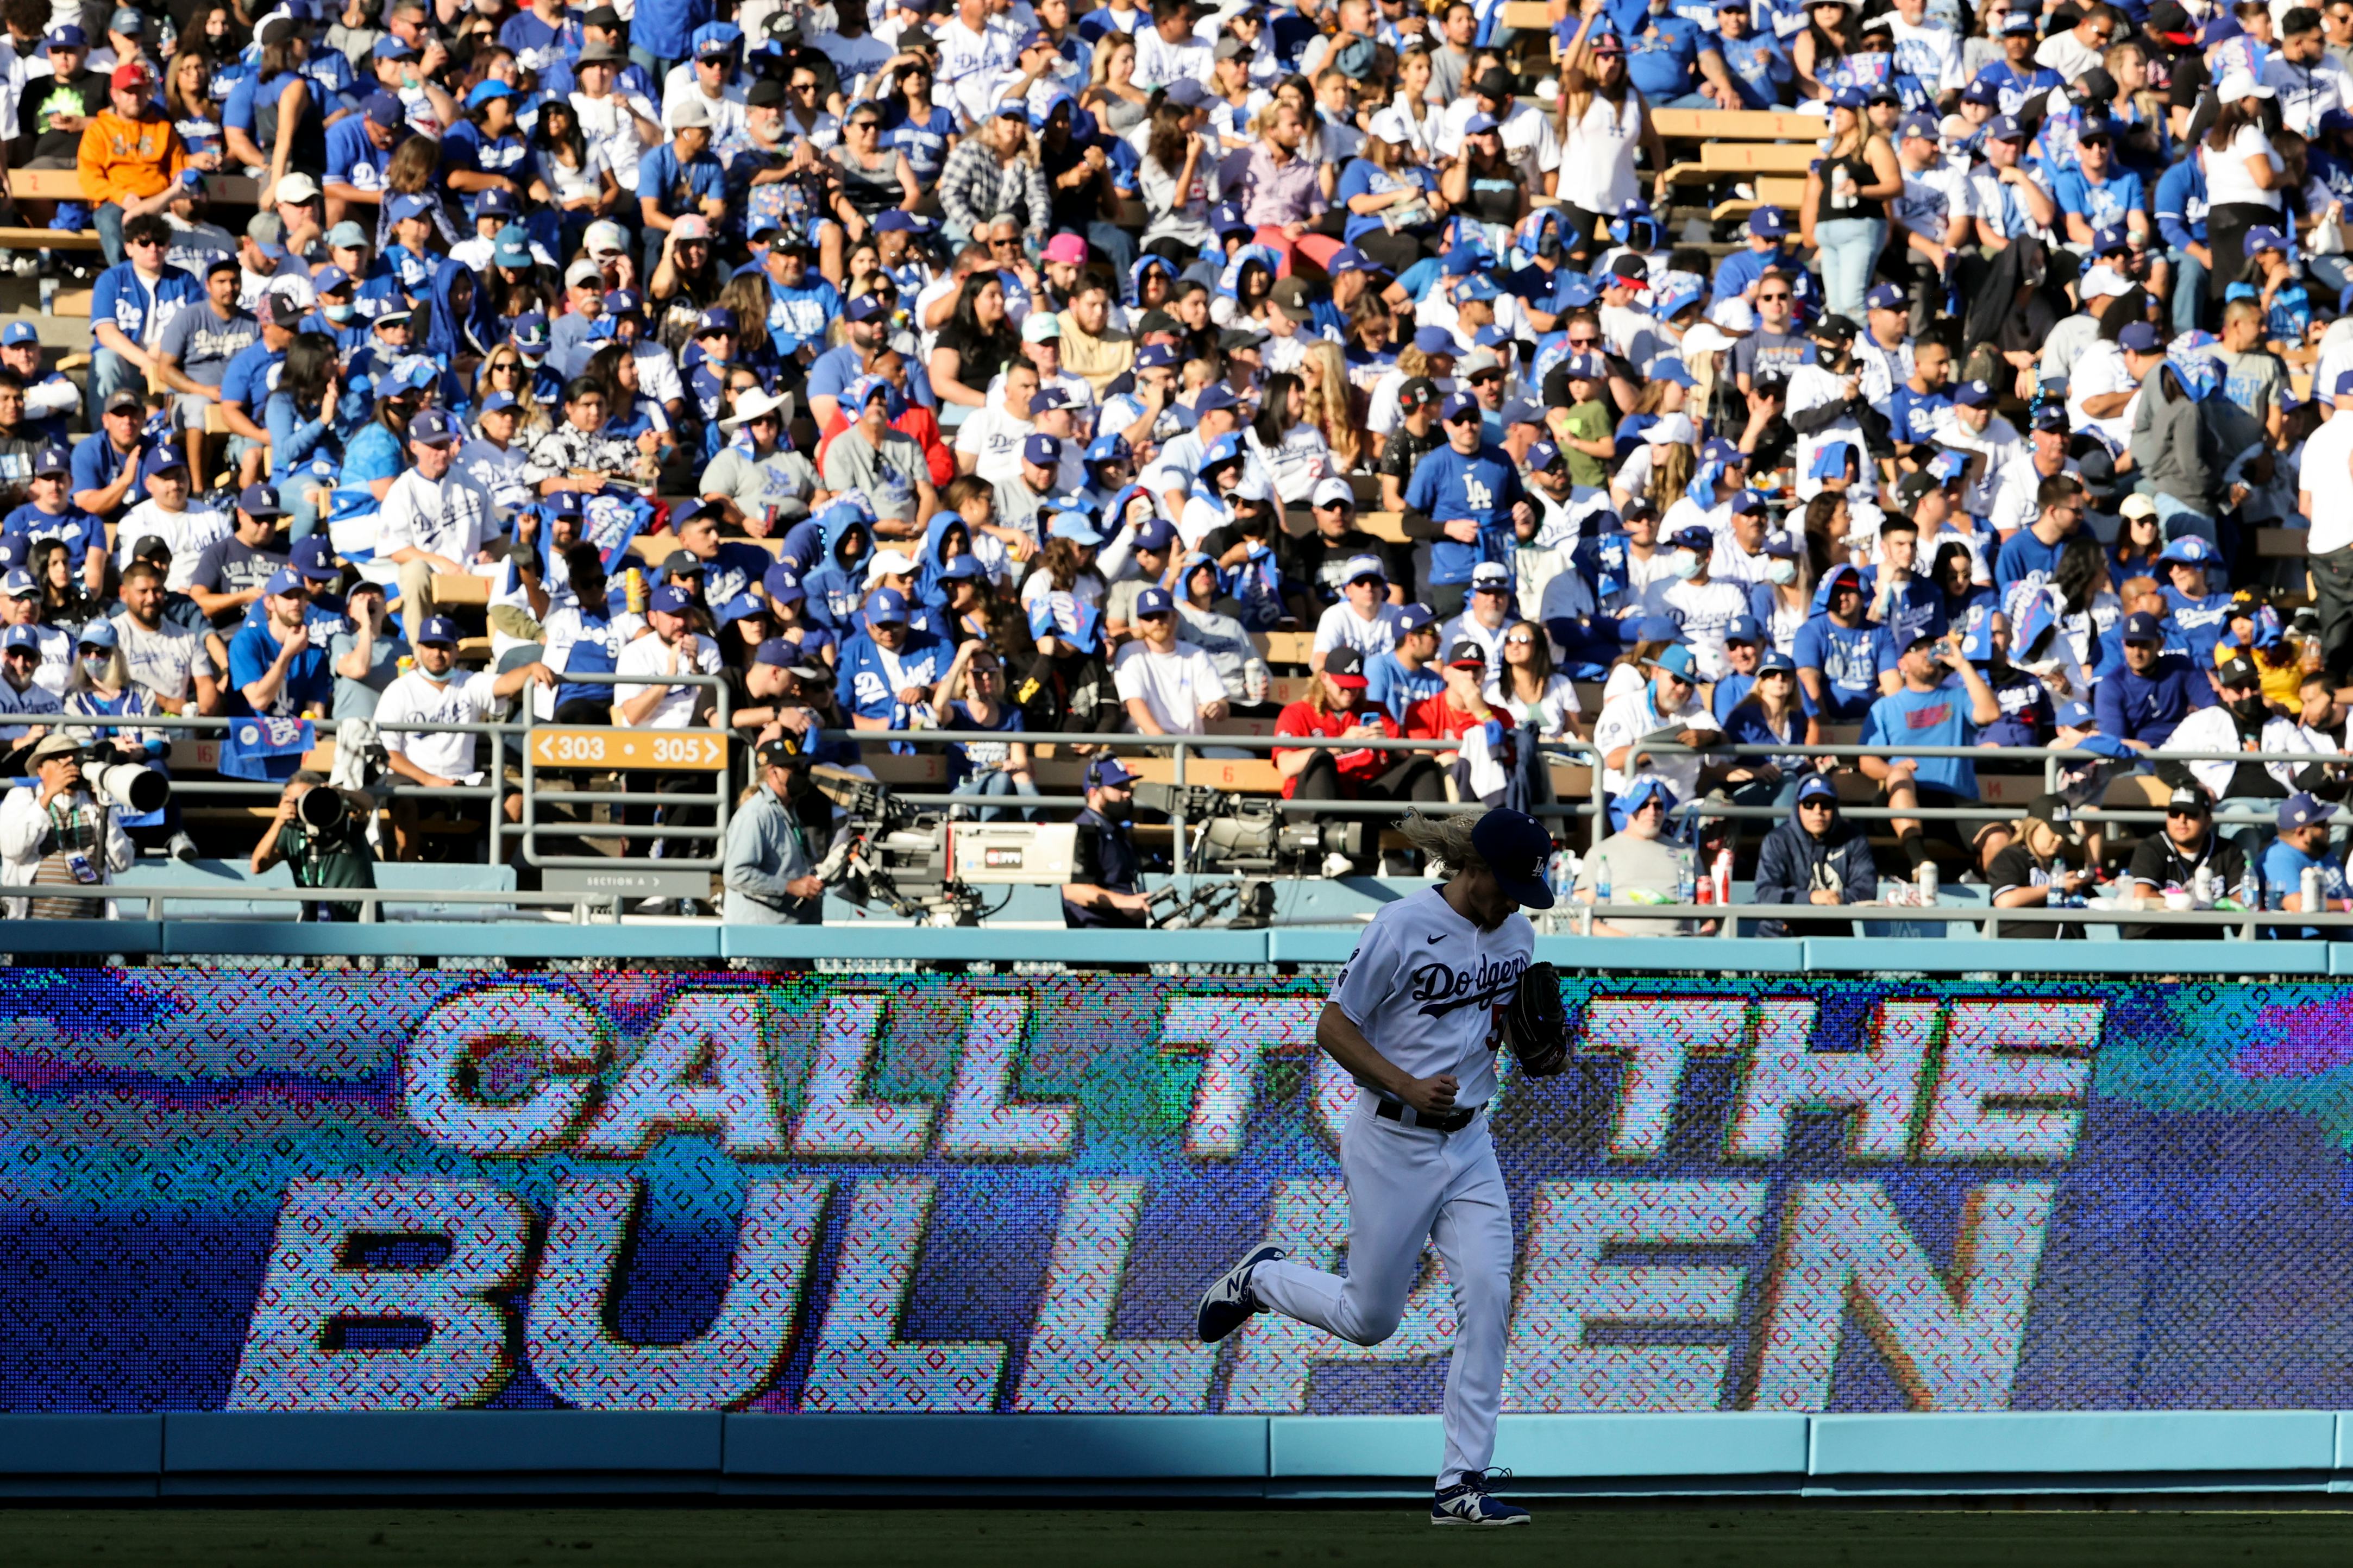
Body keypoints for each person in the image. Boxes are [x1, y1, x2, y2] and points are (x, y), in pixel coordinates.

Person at [1194, 806, 1549, 1528]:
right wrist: (1403, 1082)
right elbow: (1332, 1024)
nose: (1514, 898)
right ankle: (1259, 1276)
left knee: (1487, 1294)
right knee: (1369, 1318)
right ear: (1472, 868)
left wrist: (1539, 1046)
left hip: (1470, 1143)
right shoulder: (1400, 925)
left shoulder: (1518, 932)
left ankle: (1460, 1485)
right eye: (1506, 882)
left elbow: (1503, 1023)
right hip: (1392, 1139)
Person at [1858, 630, 2001, 873]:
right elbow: (1868, 762)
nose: (1928, 653)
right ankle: (1921, 864)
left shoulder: (1958, 696)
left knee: (1999, 838)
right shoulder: (1886, 707)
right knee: (1900, 776)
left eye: (1931, 647)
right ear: (1902, 663)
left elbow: (1990, 713)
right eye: (1918, 649)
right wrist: (1894, 770)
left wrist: (1962, 664)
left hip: (1956, 803)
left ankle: (2000, 899)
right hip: (1907, 800)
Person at [0, 732, 134, 920]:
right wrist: (47, 797)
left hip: (88, 935)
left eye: (74, 759)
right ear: (40, 770)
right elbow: (11, 849)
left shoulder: (94, 805)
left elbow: (122, 862)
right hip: (32, 930)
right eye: (58, 760)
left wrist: (104, 808)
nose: (69, 765)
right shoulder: (24, 797)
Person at [1750, 772, 1876, 938]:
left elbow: (1866, 890)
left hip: (1836, 933)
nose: (1818, 811)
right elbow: (1766, 894)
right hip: (1782, 933)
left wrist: (1833, 898)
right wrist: (1811, 898)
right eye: (1809, 804)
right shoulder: (1777, 840)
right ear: (1798, 806)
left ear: (1835, 807)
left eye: (1826, 804)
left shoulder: (1854, 839)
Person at [2122, 783, 2250, 940]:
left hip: (2205, 945)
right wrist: (2196, 904)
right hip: (2151, 941)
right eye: (2175, 814)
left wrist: (2205, 904)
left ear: (2208, 820)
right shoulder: (2151, 848)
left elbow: (2244, 898)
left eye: (2191, 814)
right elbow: (2144, 895)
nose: (2182, 820)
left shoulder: (2227, 850)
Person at [723, 732, 825, 925]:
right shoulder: (756, 814)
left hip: (789, 933)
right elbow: (736, 874)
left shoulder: (788, 811)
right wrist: (789, 886)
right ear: (773, 772)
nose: (800, 773)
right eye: (792, 768)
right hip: (761, 939)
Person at [250, 771, 378, 921]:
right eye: (296, 801)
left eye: (309, 797)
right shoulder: (291, 832)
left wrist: (341, 793)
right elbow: (258, 866)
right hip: (316, 927)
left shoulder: (345, 822)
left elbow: (368, 804)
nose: (304, 805)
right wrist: (279, 821)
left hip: (358, 925)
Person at [1988, 792, 2095, 940]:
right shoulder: (2011, 856)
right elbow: (2005, 901)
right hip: (2022, 950)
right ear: (2034, 826)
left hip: (2068, 951)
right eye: (2054, 830)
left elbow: (2092, 901)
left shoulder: (2063, 862)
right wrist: (2056, 888)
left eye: (2062, 832)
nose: (2059, 838)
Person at [1061, 754, 1150, 927]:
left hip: (1122, 938)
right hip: (1098, 942)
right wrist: (1124, 901)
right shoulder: (1084, 830)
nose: (1127, 793)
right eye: (1118, 786)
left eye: (1127, 786)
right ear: (1094, 793)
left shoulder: (1114, 829)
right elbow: (1074, 890)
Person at [2261, 791, 2351, 939]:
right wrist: (2347, 906)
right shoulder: (2278, 858)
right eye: (2322, 824)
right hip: (2311, 944)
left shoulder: (2319, 849)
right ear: (2302, 832)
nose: (2330, 827)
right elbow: (2299, 905)